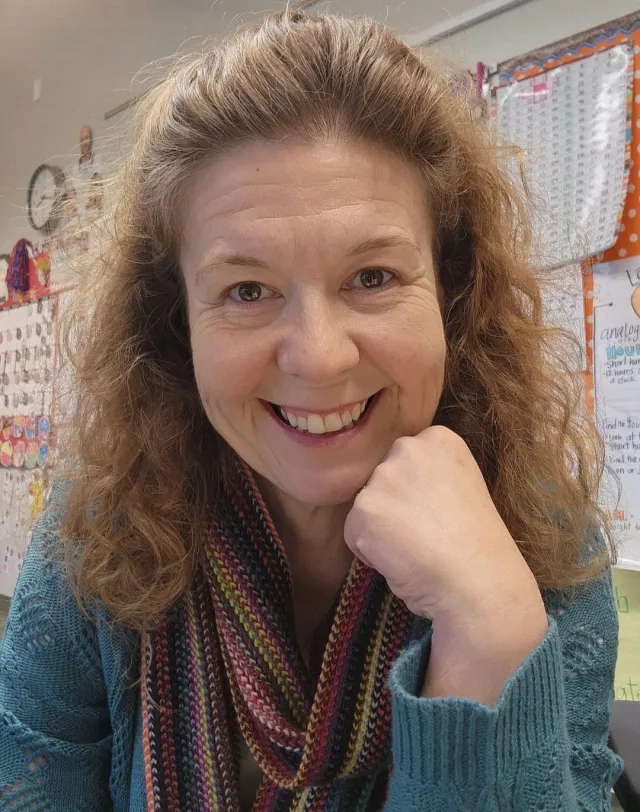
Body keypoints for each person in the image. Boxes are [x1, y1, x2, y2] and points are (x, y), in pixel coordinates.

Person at [0, 10, 623, 811]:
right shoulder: (94, 543)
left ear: (453, 291)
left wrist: (490, 630)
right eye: (247, 290)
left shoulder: (545, 544)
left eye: (373, 277)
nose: (320, 357)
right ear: (175, 323)